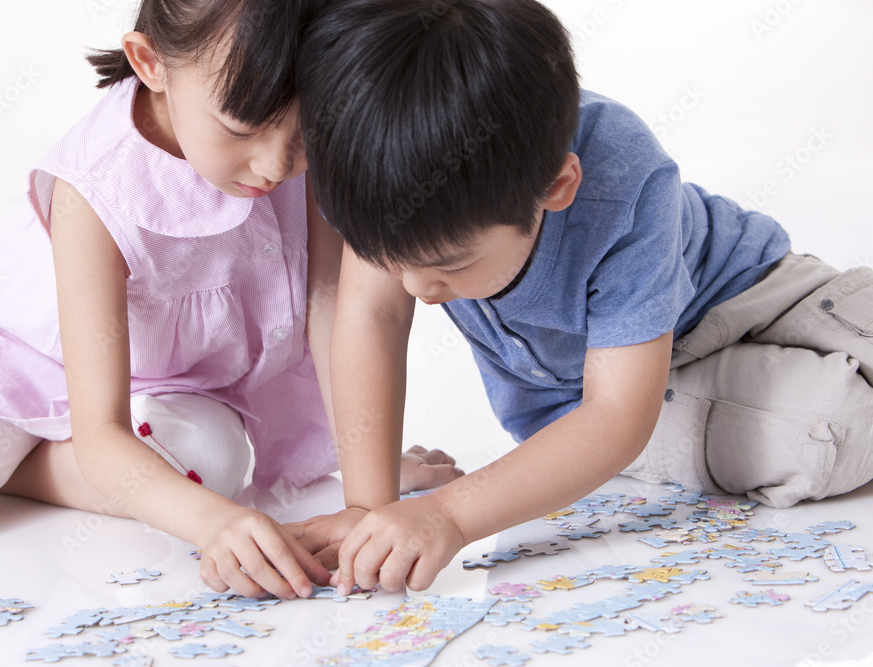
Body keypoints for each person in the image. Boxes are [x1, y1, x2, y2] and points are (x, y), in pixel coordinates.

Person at [0, 0, 461, 600]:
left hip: (167, 384)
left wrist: (371, 483)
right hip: (16, 367)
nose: (277, 163)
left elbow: (331, 309)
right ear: (151, 62)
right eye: (240, 128)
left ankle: (3, 470)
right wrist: (215, 526)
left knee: (216, 463)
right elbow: (100, 430)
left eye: (307, 134)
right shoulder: (95, 185)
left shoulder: (294, 152)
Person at [289, 0, 873, 595]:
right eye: (390, 261)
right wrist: (367, 509)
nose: (417, 290)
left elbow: (618, 409)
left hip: (753, 290)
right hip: (605, 402)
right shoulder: (382, 182)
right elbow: (372, 315)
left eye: (449, 265)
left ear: (558, 187)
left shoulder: (621, 169)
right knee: (836, 431)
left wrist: (447, 511)